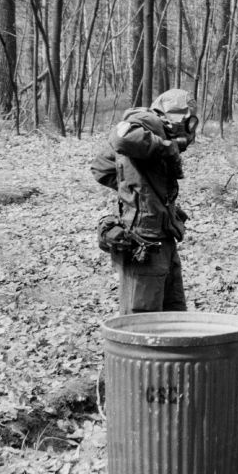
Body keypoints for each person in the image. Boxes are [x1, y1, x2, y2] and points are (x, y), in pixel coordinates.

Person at [91, 88, 198, 314]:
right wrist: (166, 148)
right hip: (145, 241)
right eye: (188, 122)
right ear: (177, 117)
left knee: (174, 315)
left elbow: (104, 168)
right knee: (142, 321)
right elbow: (121, 138)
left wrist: (144, 194)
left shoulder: (155, 133)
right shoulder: (145, 122)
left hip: (164, 237)